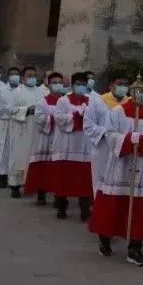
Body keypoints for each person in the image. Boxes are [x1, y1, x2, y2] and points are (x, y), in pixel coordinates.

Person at [89, 77, 143, 266]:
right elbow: (110, 134)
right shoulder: (117, 111)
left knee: (139, 207)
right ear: (132, 91)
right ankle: (105, 238)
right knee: (114, 203)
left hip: (141, 166)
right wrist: (129, 139)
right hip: (120, 165)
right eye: (140, 90)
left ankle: (135, 247)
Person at [51, 72, 93, 221]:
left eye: (83, 84)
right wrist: (76, 116)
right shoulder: (63, 100)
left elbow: (98, 119)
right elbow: (58, 118)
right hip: (66, 146)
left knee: (84, 179)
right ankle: (62, 207)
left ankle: (85, 209)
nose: (81, 87)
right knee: (64, 178)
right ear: (73, 85)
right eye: (78, 84)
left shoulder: (93, 101)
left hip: (85, 147)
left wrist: (86, 116)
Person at [85, 73, 131, 199]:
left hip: (123, 150)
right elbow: (88, 125)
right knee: (101, 184)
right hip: (103, 149)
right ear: (111, 85)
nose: (123, 87)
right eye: (120, 84)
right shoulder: (97, 101)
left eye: (126, 84)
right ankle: (100, 213)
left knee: (121, 184)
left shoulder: (130, 103)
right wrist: (106, 133)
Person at [24, 71, 64, 205]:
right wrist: (56, 120)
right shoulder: (43, 101)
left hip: (60, 140)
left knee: (58, 169)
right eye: (54, 82)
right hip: (45, 138)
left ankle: (58, 196)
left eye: (60, 83)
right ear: (48, 84)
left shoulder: (65, 101)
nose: (57, 85)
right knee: (42, 167)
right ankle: (41, 193)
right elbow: (39, 119)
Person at [6, 65, 43, 198]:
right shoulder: (16, 92)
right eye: (29, 76)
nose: (32, 78)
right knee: (18, 156)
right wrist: (27, 110)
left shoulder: (41, 92)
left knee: (35, 157)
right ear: (23, 77)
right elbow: (9, 110)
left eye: (34, 76)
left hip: (37, 130)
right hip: (21, 128)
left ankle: (33, 185)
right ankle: (15, 185)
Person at [0, 66, 19, 188]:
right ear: (8, 77)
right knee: (2, 149)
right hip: (4, 123)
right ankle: (1, 175)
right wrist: (9, 112)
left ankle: (13, 176)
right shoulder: (2, 90)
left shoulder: (22, 90)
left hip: (18, 124)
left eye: (17, 74)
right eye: (12, 74)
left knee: (15, 149)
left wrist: (16, 112)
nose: (15, 76)